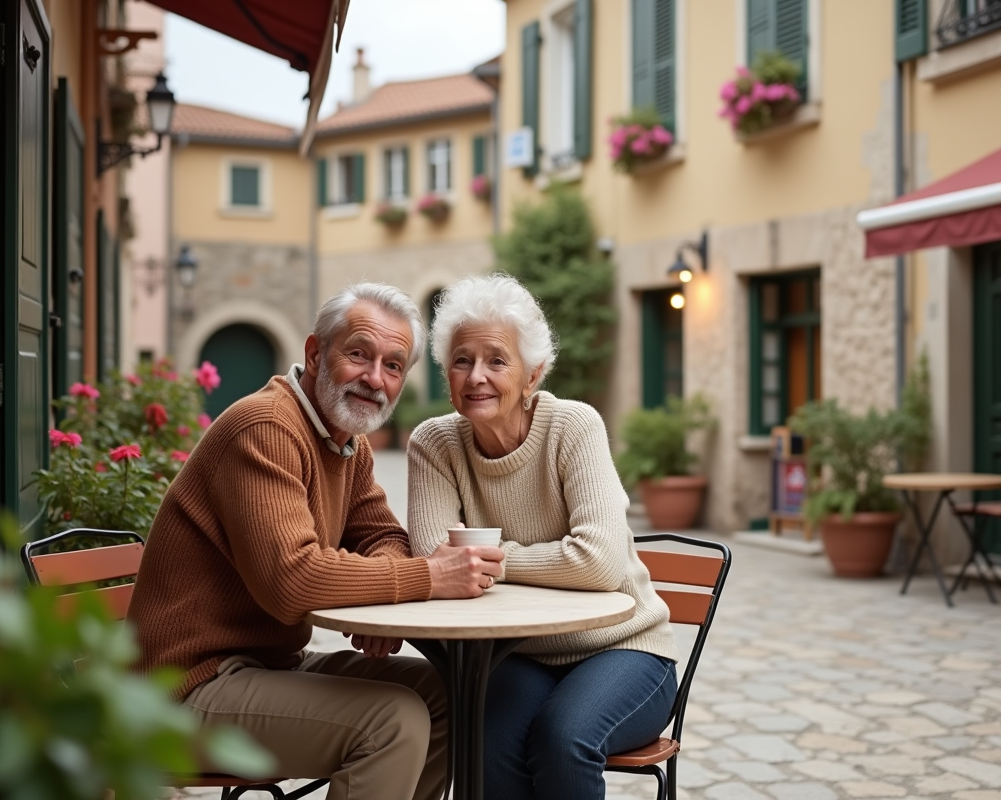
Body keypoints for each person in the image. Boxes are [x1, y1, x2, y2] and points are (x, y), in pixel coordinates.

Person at [128, 283, 505, 800]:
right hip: (185, 687)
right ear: (314, 353)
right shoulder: (264, 427)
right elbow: (293, 580)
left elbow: (384, 535)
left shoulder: (347, 443)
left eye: (393, 366)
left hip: (263, 665)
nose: (375, 378)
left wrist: (383, 597)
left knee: (444, 697)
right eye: (358, 355)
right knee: (392, 721)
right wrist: (426, 578)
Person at [406, 274, 677, 800]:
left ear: (533, 375)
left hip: (624, 647)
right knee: (483, 741)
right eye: (462, 359)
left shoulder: (573, 427)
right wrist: (465, 568)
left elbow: (599, 563)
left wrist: (495, 561)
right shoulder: (433, 444)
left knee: (563, 737)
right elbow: (435, 564)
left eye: (496, 360)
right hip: (516, 655)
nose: (476, 376)